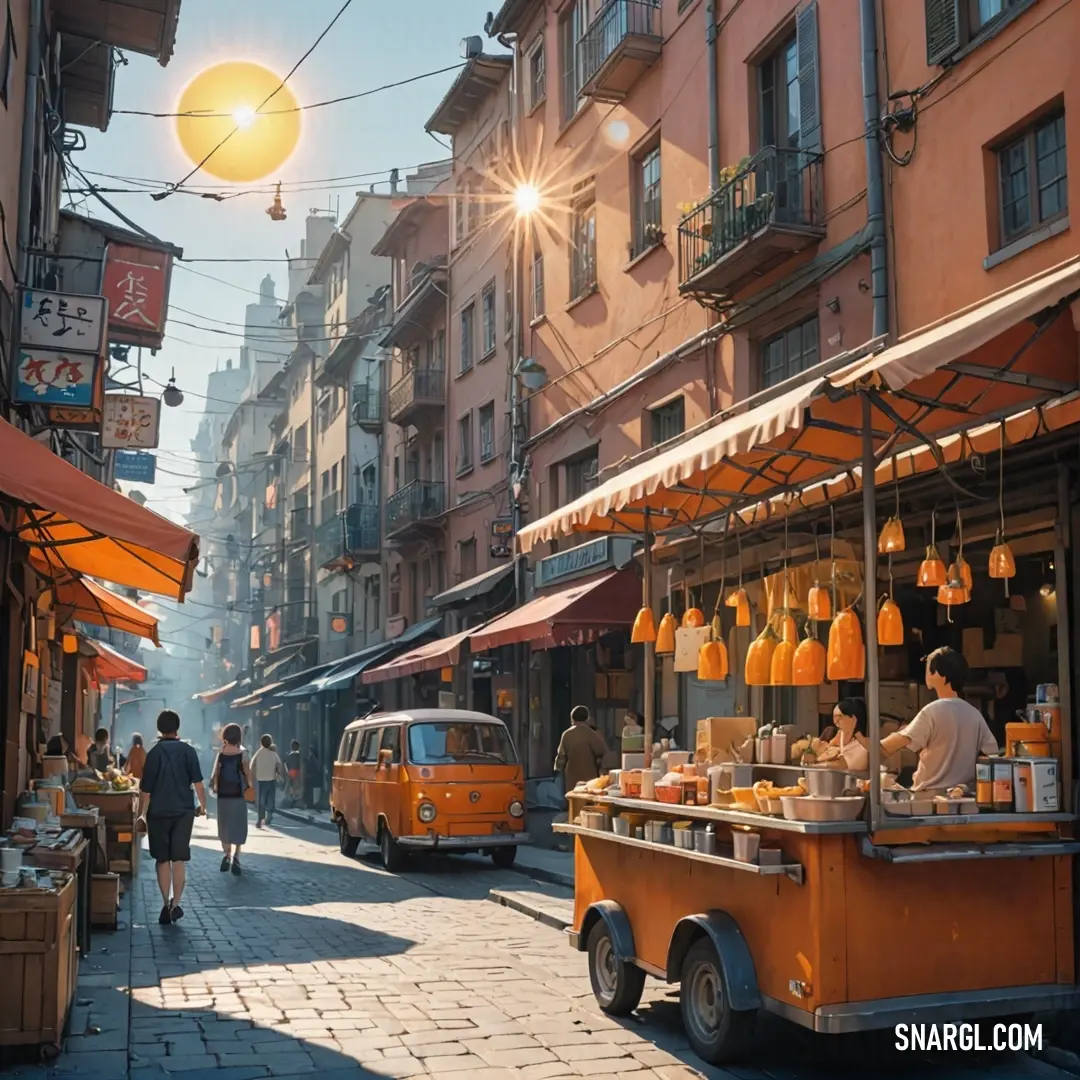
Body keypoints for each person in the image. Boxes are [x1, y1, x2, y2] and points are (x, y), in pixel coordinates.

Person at [881, 647, 998, 793]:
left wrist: (862, 751)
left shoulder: (932, 711)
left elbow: (891, 745)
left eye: (928, 668)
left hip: (928, 798)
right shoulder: (975, 714)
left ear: (938, 674)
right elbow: (992, 757)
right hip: (960, 797)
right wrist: (966, 786)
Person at [137, 710, 207, 925]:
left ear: (160, 728)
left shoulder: (154, 753)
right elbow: (198, 783)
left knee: (162, 859)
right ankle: (176, 904)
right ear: (177, 727)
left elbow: (145, 789)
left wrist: (141, 813)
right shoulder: (188, 751)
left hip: (157, 811)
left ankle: (165, 903)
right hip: (183, 811)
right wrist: (203, 806)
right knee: (179, 858)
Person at [210, 723, 251, 874]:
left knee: (224, 825)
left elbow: (216, 774)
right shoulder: (243, 753)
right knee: (239, 825)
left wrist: (215, 787)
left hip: (223, 795)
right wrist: (251, 788)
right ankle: (237, 857)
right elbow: (248, 775)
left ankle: (226, 854)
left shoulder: (220, 753)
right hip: (238, 795)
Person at [554, 706, 607, 792]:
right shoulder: (591, 733)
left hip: (571, 775)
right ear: (587, 718)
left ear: (572, 718)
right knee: (588, 798)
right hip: (590, 775)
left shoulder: (566, 734)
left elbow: (561, 756)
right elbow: (601, 751)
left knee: (573, 799)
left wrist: (558, 769)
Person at [250, 733, 282, 828]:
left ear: (261, 743)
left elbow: (251, 765)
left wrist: (253, 776)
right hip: (271, 779)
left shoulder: (259, 752)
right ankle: (269, 815)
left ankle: (260, 819)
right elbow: (278, 764)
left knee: (261, 800)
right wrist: (278, 773)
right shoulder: (273, 754)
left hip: (260, 779)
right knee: (270, 798)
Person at [828, 698, 870, 772]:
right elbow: (827, 751)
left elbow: (842, 765)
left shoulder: (862, 745)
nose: (835, 722)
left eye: (839, 717)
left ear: (853, 719)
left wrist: (813, 764)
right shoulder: (839, 737)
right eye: (834, 717)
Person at [284, 740, 301, 805]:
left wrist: (287, 773)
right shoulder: (299, 756)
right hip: (298, 772)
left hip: (290, 773)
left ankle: (291, 799)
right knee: (296, 787)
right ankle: (294, 800)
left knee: (291, 787)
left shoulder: (289, 756)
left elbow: (286, 764)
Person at [303, 743, 320, 808]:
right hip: (309, 777)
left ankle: (310, 804)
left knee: (309, 791)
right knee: (308, 791)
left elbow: (312, 768)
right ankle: (309, 803)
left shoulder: (312, 759)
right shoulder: (311, 758)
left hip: (310, 777)